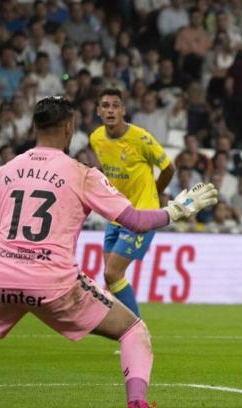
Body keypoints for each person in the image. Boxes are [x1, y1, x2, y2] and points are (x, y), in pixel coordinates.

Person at [0, 96, 218, 408]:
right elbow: (134, 220)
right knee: (134, 330)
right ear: (69, 128)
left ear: (34, 127)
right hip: (53, 284)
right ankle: (138, 407)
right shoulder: (81, 174)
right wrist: (176, 210)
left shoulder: (7, 170)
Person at [89, 89, 175, 319]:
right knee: (111, 277)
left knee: (113, 273)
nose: (110, 110)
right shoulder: (96, 138)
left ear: (123, 110)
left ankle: (136, 332)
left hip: (141, 214)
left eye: (115, 105)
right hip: (116, 215)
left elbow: (169, 168)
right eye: (105, 105)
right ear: (98, 111)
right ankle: (130, 330)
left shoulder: (141, 138)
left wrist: (154, 195)